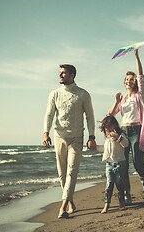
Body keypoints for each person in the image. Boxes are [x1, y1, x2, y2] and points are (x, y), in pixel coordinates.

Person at [43, 64, 96, 219]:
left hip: (76, 138)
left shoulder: (83, 94)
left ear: (72, 75)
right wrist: (46, 133)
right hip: (59, 136)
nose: (60, 75)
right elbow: (49, 115)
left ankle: (63, 206)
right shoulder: (54, 94)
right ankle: (70, 200)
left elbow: (90, 116)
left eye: (63, 73)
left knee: (72, 171)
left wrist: (91, 136)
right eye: (60, 73)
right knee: (62, 174)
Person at [109, 49, 144, 204]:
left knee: (137, 162)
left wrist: (137, 56)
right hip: (123, 132)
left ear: (135, 82)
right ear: (124, 82)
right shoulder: (123, 100)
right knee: (123, 165)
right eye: (127, 79)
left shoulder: (139, 95)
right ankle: (128, 194)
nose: (129, 81)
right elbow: (111, 115)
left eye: (132, 79)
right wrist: (116, 101)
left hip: (136, 131)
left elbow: (141, 76)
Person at [99, 115, 129, 214]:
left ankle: (121, 202)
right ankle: (106, 204)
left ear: (114, 125)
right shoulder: (107, 138)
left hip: (120, 163)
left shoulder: (121, 135)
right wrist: (95, 147)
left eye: (109, 126)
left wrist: (118, 137)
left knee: (120, 184)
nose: (107, 129)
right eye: (106, 127)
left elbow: (126, 144)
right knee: (109, 184)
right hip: (109, 164)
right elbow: (105, 150)